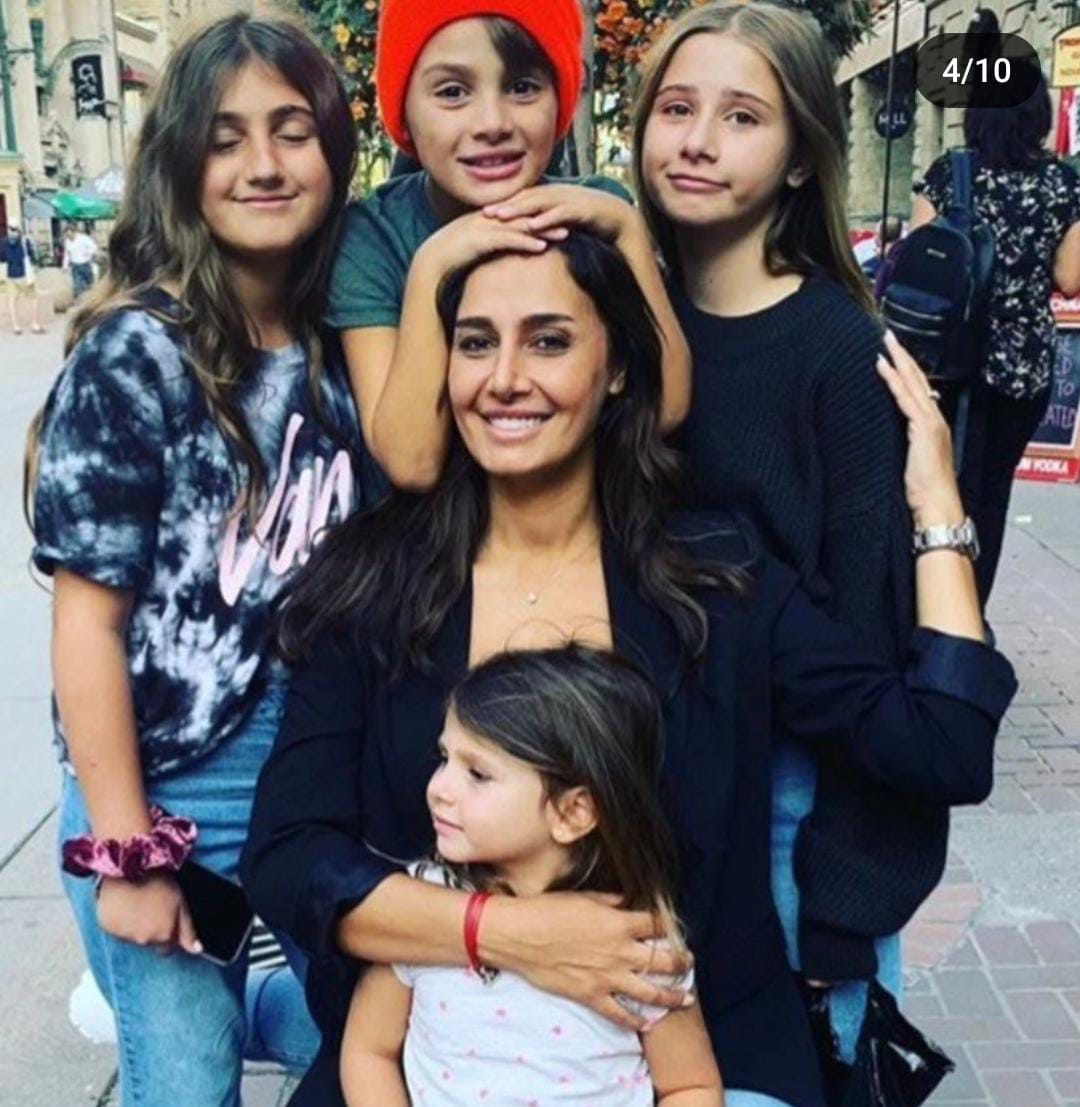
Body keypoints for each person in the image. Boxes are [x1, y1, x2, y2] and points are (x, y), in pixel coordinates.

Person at [242, 231, 1016, 1107]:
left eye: (549, 340)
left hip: (702, 1056)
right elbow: (289, 857)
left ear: (616, 367)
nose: (504, 379)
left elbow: (943, 748)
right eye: (476, 342)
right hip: (430, 1060)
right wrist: (509, 932)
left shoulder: (716, 578)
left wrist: (937, 505)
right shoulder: (376, 583)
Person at [27, 15, 383, 1106]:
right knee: (184, 1082)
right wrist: (128, 853)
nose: (263, 163)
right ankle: (188, 998)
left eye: (292, 130)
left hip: (324, 768)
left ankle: (247, 1000)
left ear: (334, 147)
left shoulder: (353, 343)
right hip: (173, 784)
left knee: (379, 1042)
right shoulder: (137, 351)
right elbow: (86, 621)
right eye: (226, 139)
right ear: (181, 164)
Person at [630, 0, 932, 1061]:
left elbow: (877, 641)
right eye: (676, 108)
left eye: (743, 117)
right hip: (639, 796)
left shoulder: (841, 354)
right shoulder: (614, 324)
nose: (698, 140)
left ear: (803, 157)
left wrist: (846, 904)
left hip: (792, 808)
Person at [327, 0, 690, 490]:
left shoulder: (597, 213)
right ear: (404, 112)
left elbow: (665, 407)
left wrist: (627, 231)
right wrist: (434, 264)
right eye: (452, 92)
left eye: (522, 88)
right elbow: (412, 463)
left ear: (560, 100)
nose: (492, 122)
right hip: (422, 533)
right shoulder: (374, 236)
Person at [341, 646, 724, 1106]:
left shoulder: (633, 943)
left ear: (573, 812)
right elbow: (369, 1050)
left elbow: (690, 1086)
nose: (438, 788)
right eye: (444, 758)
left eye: (477, 774)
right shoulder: (426, 906)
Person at [911, 8, 1080, 604]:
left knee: (940, 486)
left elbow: (919, 269)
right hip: (1022, 370)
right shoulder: (1064, 185)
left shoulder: (948, 174)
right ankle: (970, 615)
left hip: (947, 367)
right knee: (992, 494)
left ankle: (926, 605)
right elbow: (1069, 279)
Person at [2, 223, 46, 334]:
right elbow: (31, 255)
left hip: (11, 274)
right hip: (24, 275)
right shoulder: (24, 241)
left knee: (12, 300)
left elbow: (2, 258)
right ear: (19, 229)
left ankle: (15, 326)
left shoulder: (3, 242)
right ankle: (34, 324)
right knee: (34, 298)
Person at [62, 223, 98, 299]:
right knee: (77, 286)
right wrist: (65, 266)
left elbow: (94, 247)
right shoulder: (67, 242)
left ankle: (90, 299)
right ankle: (79, 301)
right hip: (75, 266)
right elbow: (67, 254)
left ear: (75, 232)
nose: (69, 237)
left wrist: (88, 253)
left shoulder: (84, 238)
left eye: (70, 235)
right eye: (67, 235)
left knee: (89, 284)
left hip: (85, 265)